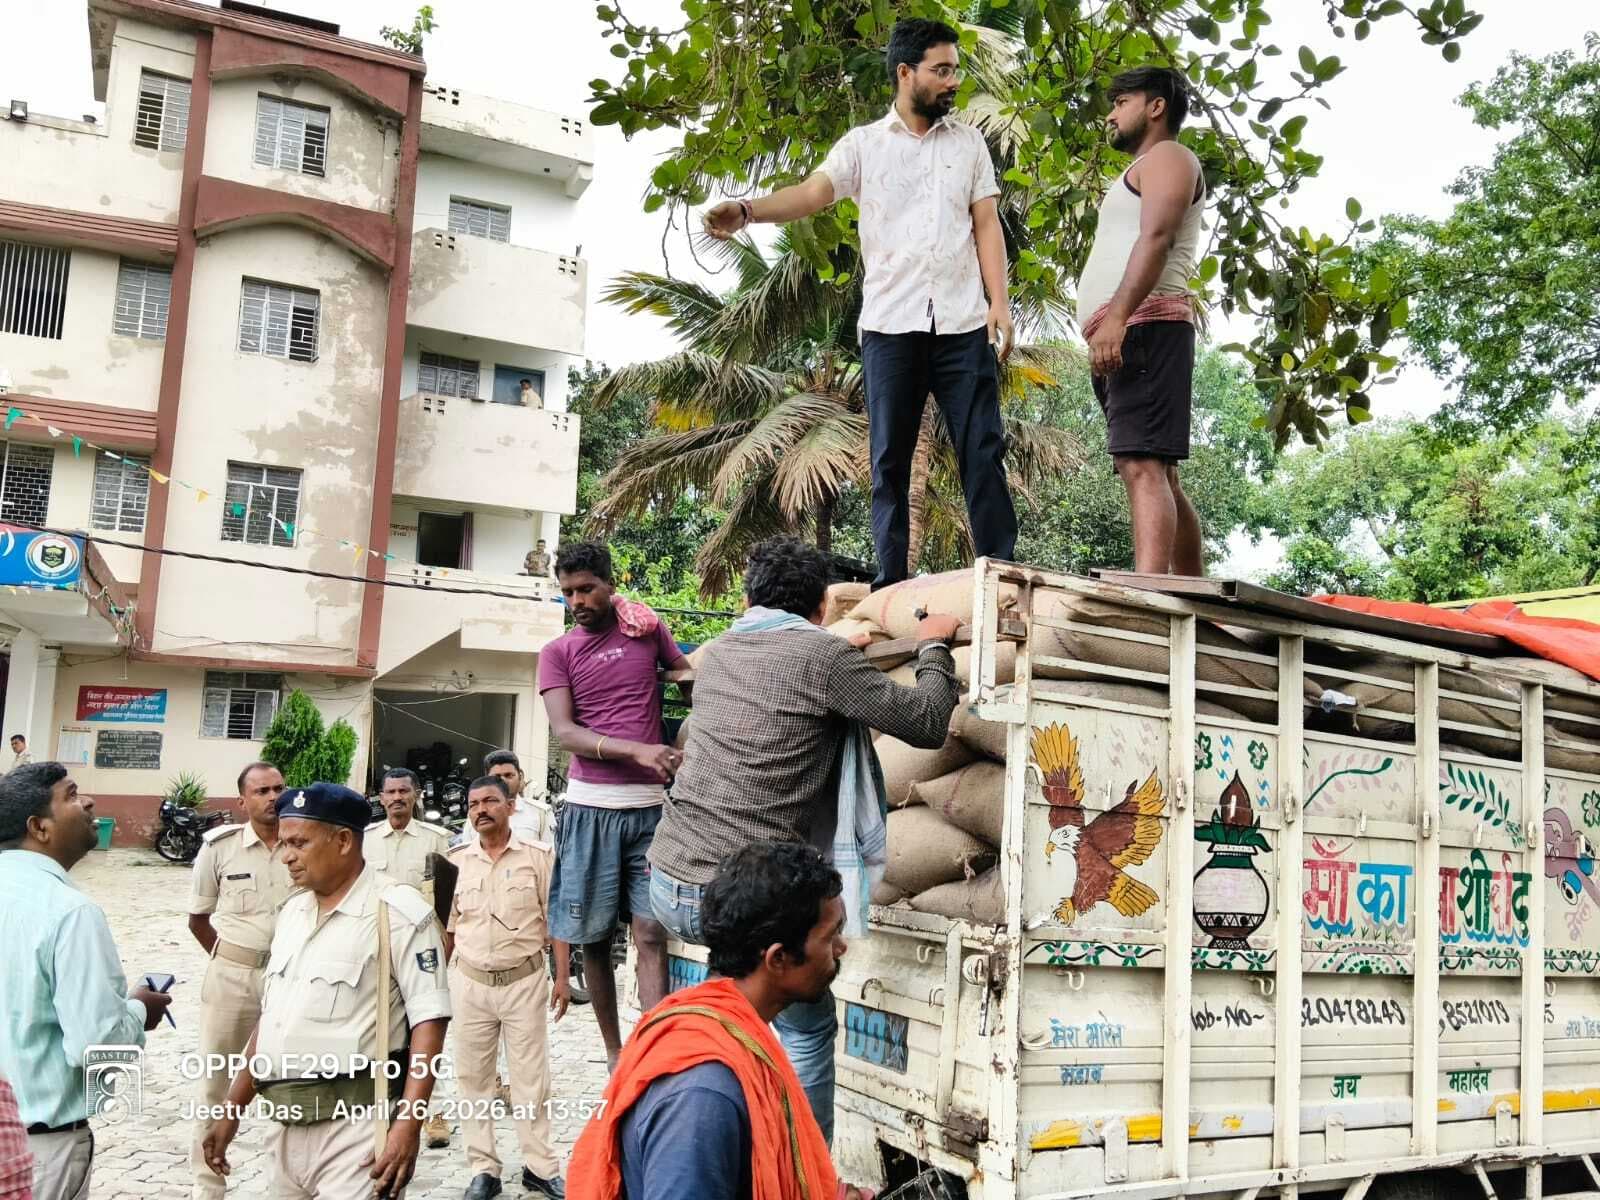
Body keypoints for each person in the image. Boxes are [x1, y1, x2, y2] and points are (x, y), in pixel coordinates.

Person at [649, 538, 959, 1142]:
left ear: (746, 600)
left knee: (730, 1022)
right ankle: (802, 1170)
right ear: (821, 606)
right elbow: (924, 724)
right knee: (806, 1026)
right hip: (739, 901)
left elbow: (781, 681)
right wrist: (934, 646)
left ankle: (729, 1131)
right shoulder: (822, 659)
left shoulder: (718, 656)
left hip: (668, 883)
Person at [702, 18, 1016, 590]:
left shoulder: (969, 143)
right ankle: (891, 579)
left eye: (955, 70)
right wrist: (747, 210)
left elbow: (986, 223)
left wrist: (1001, 303)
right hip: (890, 327)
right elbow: (811, 193)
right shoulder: (865, 145)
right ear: (905, 73)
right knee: (888, 463)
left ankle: (1002, 572)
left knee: (982, 453)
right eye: (940, 70)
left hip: (963, 322)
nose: (952, 81)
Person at [569, 841, 873, 1200]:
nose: (841, 948)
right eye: (830, 936)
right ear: (778, 959)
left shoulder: (732, 1035)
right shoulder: (702, 1096)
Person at [201, 783, 451, 1200]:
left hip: (357, 1130)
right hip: (283, 1125)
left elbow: (430, 1023)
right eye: (284, 844)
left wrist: (408, 1124)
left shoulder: (398, 912)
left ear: (343, 841)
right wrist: (231, 1109)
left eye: (299, 842)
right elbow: (271, 1019)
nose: (287, 856)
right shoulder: (293, 913)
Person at [538, 541, 690, 1072]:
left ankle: (652, 1047)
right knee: (596, 938)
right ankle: (613, 1051)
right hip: (590, 810)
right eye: (568, 593)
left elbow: (686, 677)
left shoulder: (648, 631)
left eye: (586, 589)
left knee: (651, 931)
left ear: (610, 584)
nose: (577, 600)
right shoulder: (557, 653)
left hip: (651, 811)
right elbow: (567, 733)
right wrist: (639, 750)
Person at [0, 763, 172, 1200]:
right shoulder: (69, 912)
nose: (89, 802)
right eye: (72, 794)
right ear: (39, 827)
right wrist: (139, 1011)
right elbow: (95, 1046)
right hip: (38, 1149)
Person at [1076, 65, 1206, 577]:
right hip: (1129, 332)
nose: (1111, 113)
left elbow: (1157, 239)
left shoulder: (1170, 156)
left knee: (1143, 465)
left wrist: (1118, 319)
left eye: (1121, 101)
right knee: (1157, 470)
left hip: (1143, 327)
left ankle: (1150, 598)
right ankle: (1191, 596)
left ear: (1156, 107)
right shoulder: (1146, 166)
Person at [444, 777, 563, 1200]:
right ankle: (483, 1169)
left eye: (491, 801)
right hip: (471, 982)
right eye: (474, 803)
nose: (481, 810)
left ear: (510, 806)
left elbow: (557, 920)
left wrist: (563, 977)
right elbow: (449, 927)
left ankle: (540, 1166)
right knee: (472, 1078)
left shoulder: (537, 857)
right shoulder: (455, 860)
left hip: (524, 981)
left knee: (531, 1079)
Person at [187, 762, 296, 1200]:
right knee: (216, 1080)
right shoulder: (220, 847)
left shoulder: (302, 843)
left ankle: (287, 1183)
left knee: (290, 1081)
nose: (272, 797)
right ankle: (207, 1186)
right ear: (243, 801)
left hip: (291, 980)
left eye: (278, 789)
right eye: (262, 791)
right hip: (232, 977)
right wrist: (230, 958)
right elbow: (198, 920)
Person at [366, 767, 454, 1150]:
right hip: (378, 948)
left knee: (429, 1030)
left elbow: (452, 898)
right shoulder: (366, 841)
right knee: (382, 1033)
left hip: (424, 952)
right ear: (381, 797)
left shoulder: (438, 841)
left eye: (405, 791)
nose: (398, 797)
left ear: (416, 794)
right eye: (391, 792)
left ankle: (434, 1114)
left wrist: (448, 943)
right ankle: (381, 1108)